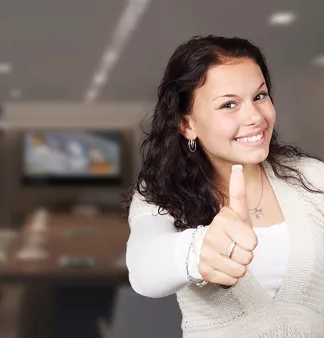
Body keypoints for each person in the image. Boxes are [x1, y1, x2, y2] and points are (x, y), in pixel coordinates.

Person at [121, 35, 324, 337]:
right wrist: (198, 251)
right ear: (187, 124)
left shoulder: (312, 178)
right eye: (229, 104)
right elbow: (144, 269)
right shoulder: (161, 193)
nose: (255, 117)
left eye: (260, 96)